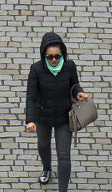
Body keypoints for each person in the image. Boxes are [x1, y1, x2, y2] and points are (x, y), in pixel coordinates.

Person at [24, 30, 85, 190]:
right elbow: (31, 96)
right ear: (44, 55)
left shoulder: (69, 66)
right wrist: (30, 120)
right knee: (43, 145)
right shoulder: (36, 70)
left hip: (63, 117)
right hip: (42, 116)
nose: (53, 60)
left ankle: (62, 189)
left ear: (62, 54)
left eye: (57, 56)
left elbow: (74, 84)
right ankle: (47, 168)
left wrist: (78, 92)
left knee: (64, 156)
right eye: (50, 56)